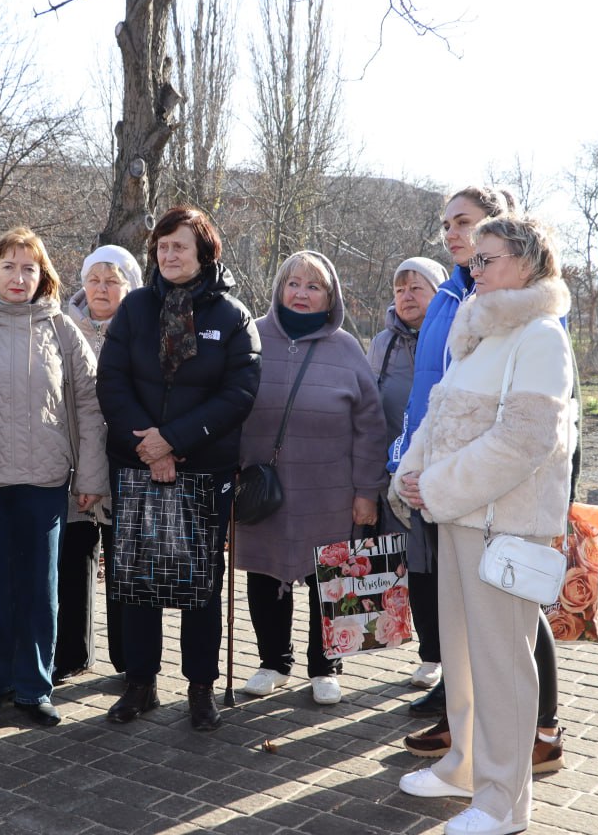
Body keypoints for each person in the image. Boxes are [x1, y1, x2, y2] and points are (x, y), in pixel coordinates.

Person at [393, 216, 574, 835]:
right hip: (460, 517)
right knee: (464, 656)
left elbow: (523, 440)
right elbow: (440, 413)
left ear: (525, 264)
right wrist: (411, 475)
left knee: (502, 665)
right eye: (477, 259)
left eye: (489, 258)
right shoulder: (486, 331)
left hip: (503, 525)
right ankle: (465, 764)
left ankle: (505, 800)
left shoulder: (540, 335)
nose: (475, 267)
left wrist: (435, 487)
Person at [96, 205, 261, 731]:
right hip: (136, 464)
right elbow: (112, 383)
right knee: (138, 581)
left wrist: (175, 441)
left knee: (201, 584)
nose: (169, 255)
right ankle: (140, 684)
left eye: (179, 246)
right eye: (162, 246)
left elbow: (239, 392)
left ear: (204, 252)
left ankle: (200, 688)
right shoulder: (134, 309)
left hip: (203, 469)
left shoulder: (232, 317)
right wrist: (149, 445)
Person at [0, 227, 109, 727]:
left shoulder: (63, 330)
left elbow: (90, 407)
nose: (18, 276)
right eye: (8, 266)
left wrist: (90, 474)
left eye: (29, 267)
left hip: (45, 481)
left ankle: (34, 686)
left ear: (43, 275)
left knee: (39, 590)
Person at [236, 251, 388, 706]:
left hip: (330, 492)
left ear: (330, 296)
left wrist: (367, 492)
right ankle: (272, 662)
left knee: (329, 578)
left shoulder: (346, 349)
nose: (301, 293)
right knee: (265, 575)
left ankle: (327, 666)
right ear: (280, 289)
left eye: (313, 286)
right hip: (263, 490)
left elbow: (371, 427)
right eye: (293, 284)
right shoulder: (251, 338)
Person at [54, 245, 143, 683]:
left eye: (112, 281)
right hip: (73, 461)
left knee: (123, 559)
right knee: (73, 557)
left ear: (130, 285)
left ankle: (128, 660)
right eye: (94, 279)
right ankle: (71, 653)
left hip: (127, 460)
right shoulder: (62, 327)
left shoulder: (142, 327)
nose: (101, 289)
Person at [365, 257, 444, 688]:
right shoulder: (382, 343)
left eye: (417, 288)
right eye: (400, 290)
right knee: (412, 566)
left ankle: (447, 654)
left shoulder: (453, 336)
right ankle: (429, 654)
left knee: (440, 568)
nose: (407, 297)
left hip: (443, 473)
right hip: (395, 475)